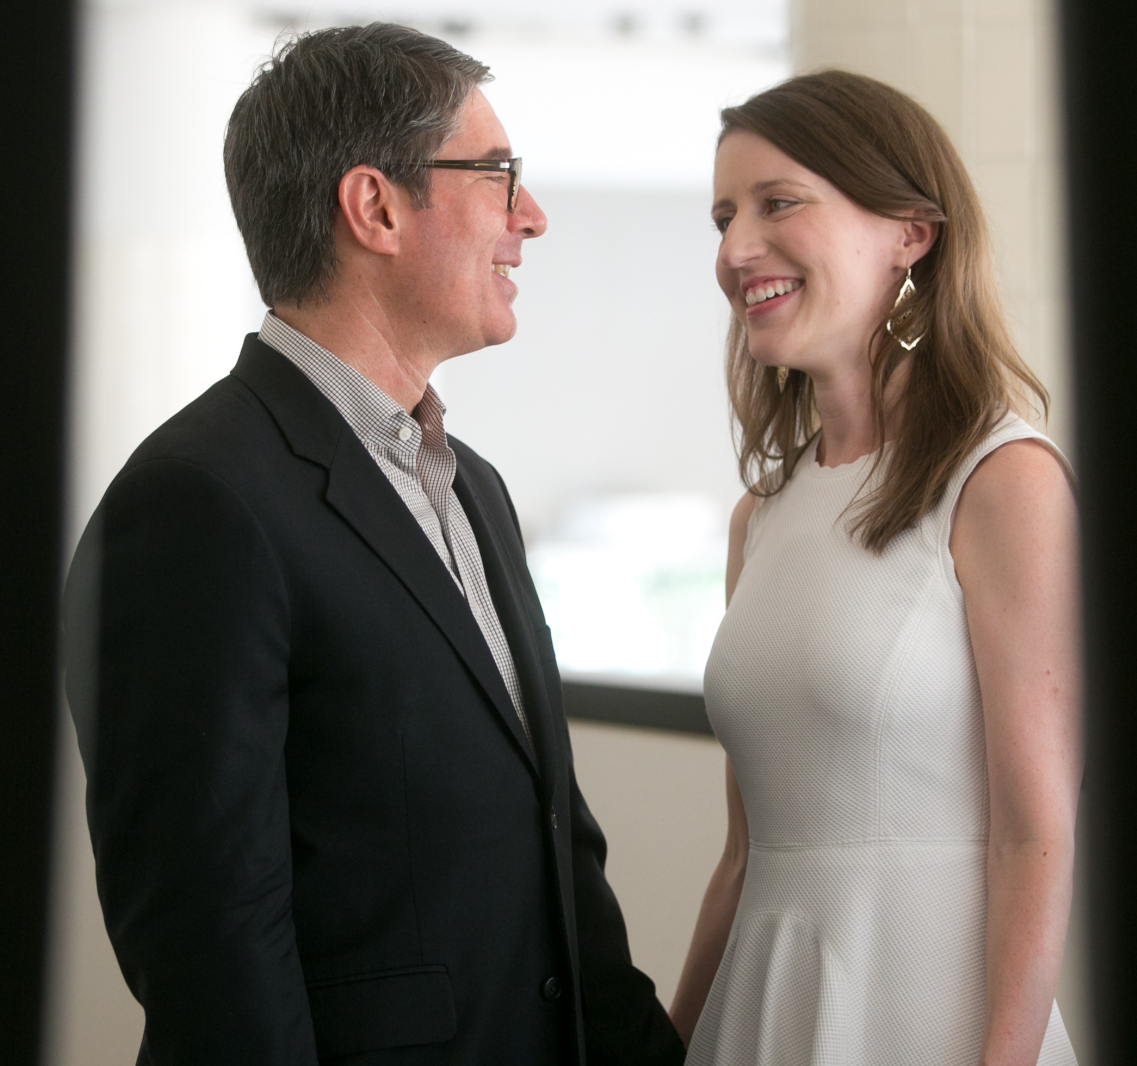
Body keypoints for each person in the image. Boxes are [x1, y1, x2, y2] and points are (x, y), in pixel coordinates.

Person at [63, 24, 684, 1066]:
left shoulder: (472, 486)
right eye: (498, 175)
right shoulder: (194, 502)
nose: (531, 216)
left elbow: (554, 854)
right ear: (376, 208)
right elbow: (212, 942)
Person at [668, 71, 1082, 1065]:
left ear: (911, 233)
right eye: (724, 217)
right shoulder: (759, 518)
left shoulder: (1002, 481)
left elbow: (1035, 836)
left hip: (932, 1017)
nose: (734, 250)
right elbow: (743, 855)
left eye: (778, 204)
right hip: (763, 1008)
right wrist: (668, 1043)